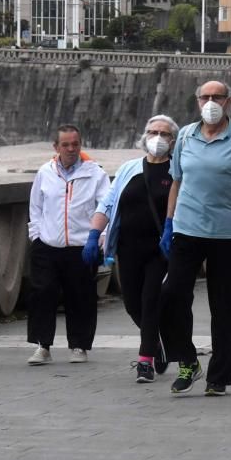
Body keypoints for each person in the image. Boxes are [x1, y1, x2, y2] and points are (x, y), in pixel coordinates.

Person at [157, 80, 231, 395]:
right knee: (170, 296)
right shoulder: (184, 136)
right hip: (187, 230)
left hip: (228, 234)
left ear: (228, 101)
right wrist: (169, 222)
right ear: (196, 102)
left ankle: (218, 376)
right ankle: (187, 360)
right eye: (205, 97)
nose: (210, 102)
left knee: (223, 307)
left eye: (216, 97)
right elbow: (176, 181)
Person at [84, 115, 178, 383]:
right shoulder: (129, 169)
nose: (157, 137)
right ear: (144, 136)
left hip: (160, 249)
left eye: (163, 133)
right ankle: (155, 344)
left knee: (150, 301)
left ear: (173, 140)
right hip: (128, 248)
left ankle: (145, 361)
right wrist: (94, 234)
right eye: (152, 132)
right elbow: (108, 204)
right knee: (132, 304)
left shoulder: (177, 171)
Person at [26, 125, 110, 365]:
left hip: (82, 246)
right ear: (56, 147)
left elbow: (105, 206)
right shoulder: (45, 172)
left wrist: (100, 237)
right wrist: (37, 236)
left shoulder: (96, 173)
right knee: (42, 294)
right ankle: (42, 346)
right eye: (66, 145)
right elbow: (36, 207)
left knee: (81, 296)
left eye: (75, 144)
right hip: (48, 245)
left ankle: (79, 346)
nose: (71, 149)